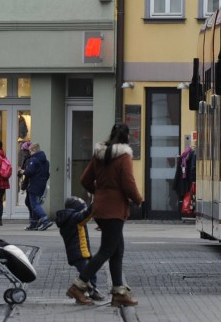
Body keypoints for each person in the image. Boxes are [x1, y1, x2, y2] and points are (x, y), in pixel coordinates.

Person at [67, 122, 144, 308]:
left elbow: (85, 179)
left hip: (100, 208)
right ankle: (78, 286)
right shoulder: (124, 156)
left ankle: (119, 293)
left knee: (117, 251)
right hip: (115, 210)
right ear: (127, 138)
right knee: (107, 250)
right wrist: (138, 199)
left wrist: (99, 192)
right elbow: (128, 182)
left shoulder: (99, 154)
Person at [55, 196, 103, 302]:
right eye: (81, 209)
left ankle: (93, 291)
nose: (82, 211)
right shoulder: (73, 218)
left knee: (91, 272)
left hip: (82, 251)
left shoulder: (71, 218)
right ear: (75, 209)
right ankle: (80, 293)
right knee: (86, 275)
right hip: (78, 253)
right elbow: (84, 216)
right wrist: (94, 204)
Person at [22, 140, 52, 230]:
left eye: (30, 151)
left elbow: (29, 172)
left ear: (34, 150)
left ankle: (45, 219)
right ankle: (34, 223)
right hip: (41, 185)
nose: (30, 153)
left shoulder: (33, 160)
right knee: (33, 203)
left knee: (35, 204)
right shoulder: (46, 161)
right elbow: (47, 174)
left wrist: (23, 171)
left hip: (34, 185)